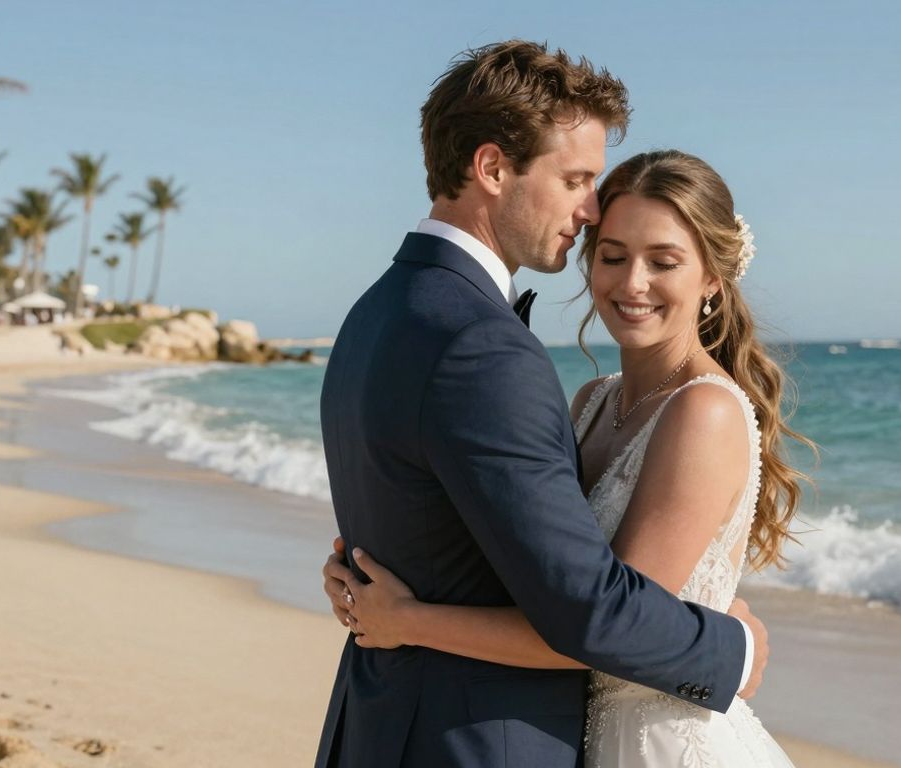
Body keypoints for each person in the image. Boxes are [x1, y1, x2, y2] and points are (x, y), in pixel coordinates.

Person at [314, 42, 772, 768]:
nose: (588, 210)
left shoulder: (379, 312)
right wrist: (731, 648)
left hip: (397, 724)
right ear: (493, 168)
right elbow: (590, 609)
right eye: (576, 180)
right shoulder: (486, 347)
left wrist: (395, 612)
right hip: (472, 738)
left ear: (712, 277)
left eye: (663, 260)